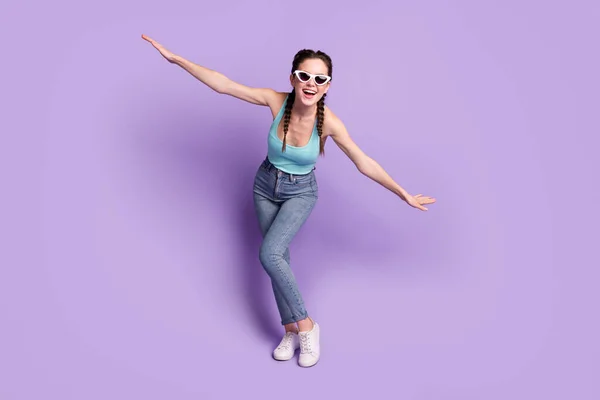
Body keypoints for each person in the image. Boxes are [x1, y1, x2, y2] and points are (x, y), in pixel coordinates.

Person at [141, 34, 436, 368]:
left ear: (327, 86)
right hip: (265, 185)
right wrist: (178, 60)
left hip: (300, 192)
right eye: (305, 76)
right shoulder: (274, 100)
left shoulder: (331, 124)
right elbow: (223, 85)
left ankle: (308, 325)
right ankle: (290, 330)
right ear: (293, 78)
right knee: (278, 262)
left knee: (269, 254)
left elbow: (363, 161)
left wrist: (403, 193)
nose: (311, 83)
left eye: (319, 79)